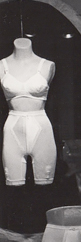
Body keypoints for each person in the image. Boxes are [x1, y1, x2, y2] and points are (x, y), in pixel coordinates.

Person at [1, 38, 57, 186]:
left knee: (45, 185)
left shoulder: (47, 65)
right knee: (14, 185)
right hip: (13, 128)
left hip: (41, 128)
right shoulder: (2, 65)